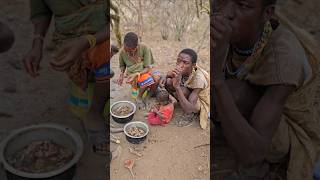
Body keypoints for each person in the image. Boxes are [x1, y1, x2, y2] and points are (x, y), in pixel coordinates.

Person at [211, 0, 320, 179]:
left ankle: (262, 172)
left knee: (235, 93)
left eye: (242, 5)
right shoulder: (226, 28)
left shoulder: (283, 57)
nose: (227, 13)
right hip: (246, 110)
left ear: (267, 13)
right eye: (221, 1)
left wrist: (217, 79)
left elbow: (253, 154)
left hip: (280, 136)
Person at [23, 0, 109, 154]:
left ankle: (94, 113)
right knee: (93, 64)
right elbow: (41, 12)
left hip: (107, 33)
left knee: (109, 55)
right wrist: (37, 43)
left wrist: (87, 42)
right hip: (68, 41)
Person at [160, 48, 210, 129]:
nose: (180, 65)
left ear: (193, 65)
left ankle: (189, 116)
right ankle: (179, 101)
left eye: (185, 62)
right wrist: (164, 76)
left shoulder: (199, 79)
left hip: (197, 101)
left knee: (182, 91)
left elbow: (189, 109)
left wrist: (177, 87)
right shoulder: (181, 68)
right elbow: (169, 74)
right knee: (168, 81)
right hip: (186, 91)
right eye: (178, 61)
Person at [117, 32, 160, 109]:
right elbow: (122, 66)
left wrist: (137, 74)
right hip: (132, 73)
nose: (128, 53)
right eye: (126, 50)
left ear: (137, 46)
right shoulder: (122, 52)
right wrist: (121, 75)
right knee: (147, 80)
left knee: (157, 78)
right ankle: (139, 97)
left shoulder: (144, 47)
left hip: (145, 70)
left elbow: (148, 67)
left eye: (130, 51)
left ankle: (148, 96)